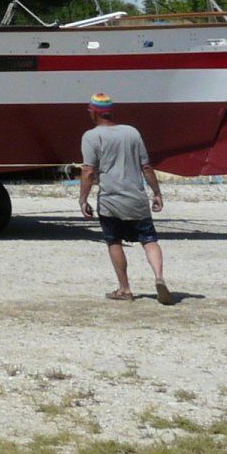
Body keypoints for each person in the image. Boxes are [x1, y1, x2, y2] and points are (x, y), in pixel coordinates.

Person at [79, 93, 174, 304]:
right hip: (137, 198)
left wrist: (83, 199)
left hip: (110, 200)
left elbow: (88, 171)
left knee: (114, 241)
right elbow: (146, 167)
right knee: (149, 240)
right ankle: (159, 278)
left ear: (93, 112)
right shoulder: (132, 132)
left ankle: (125, 289)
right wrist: (157, 193)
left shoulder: (91, 137)